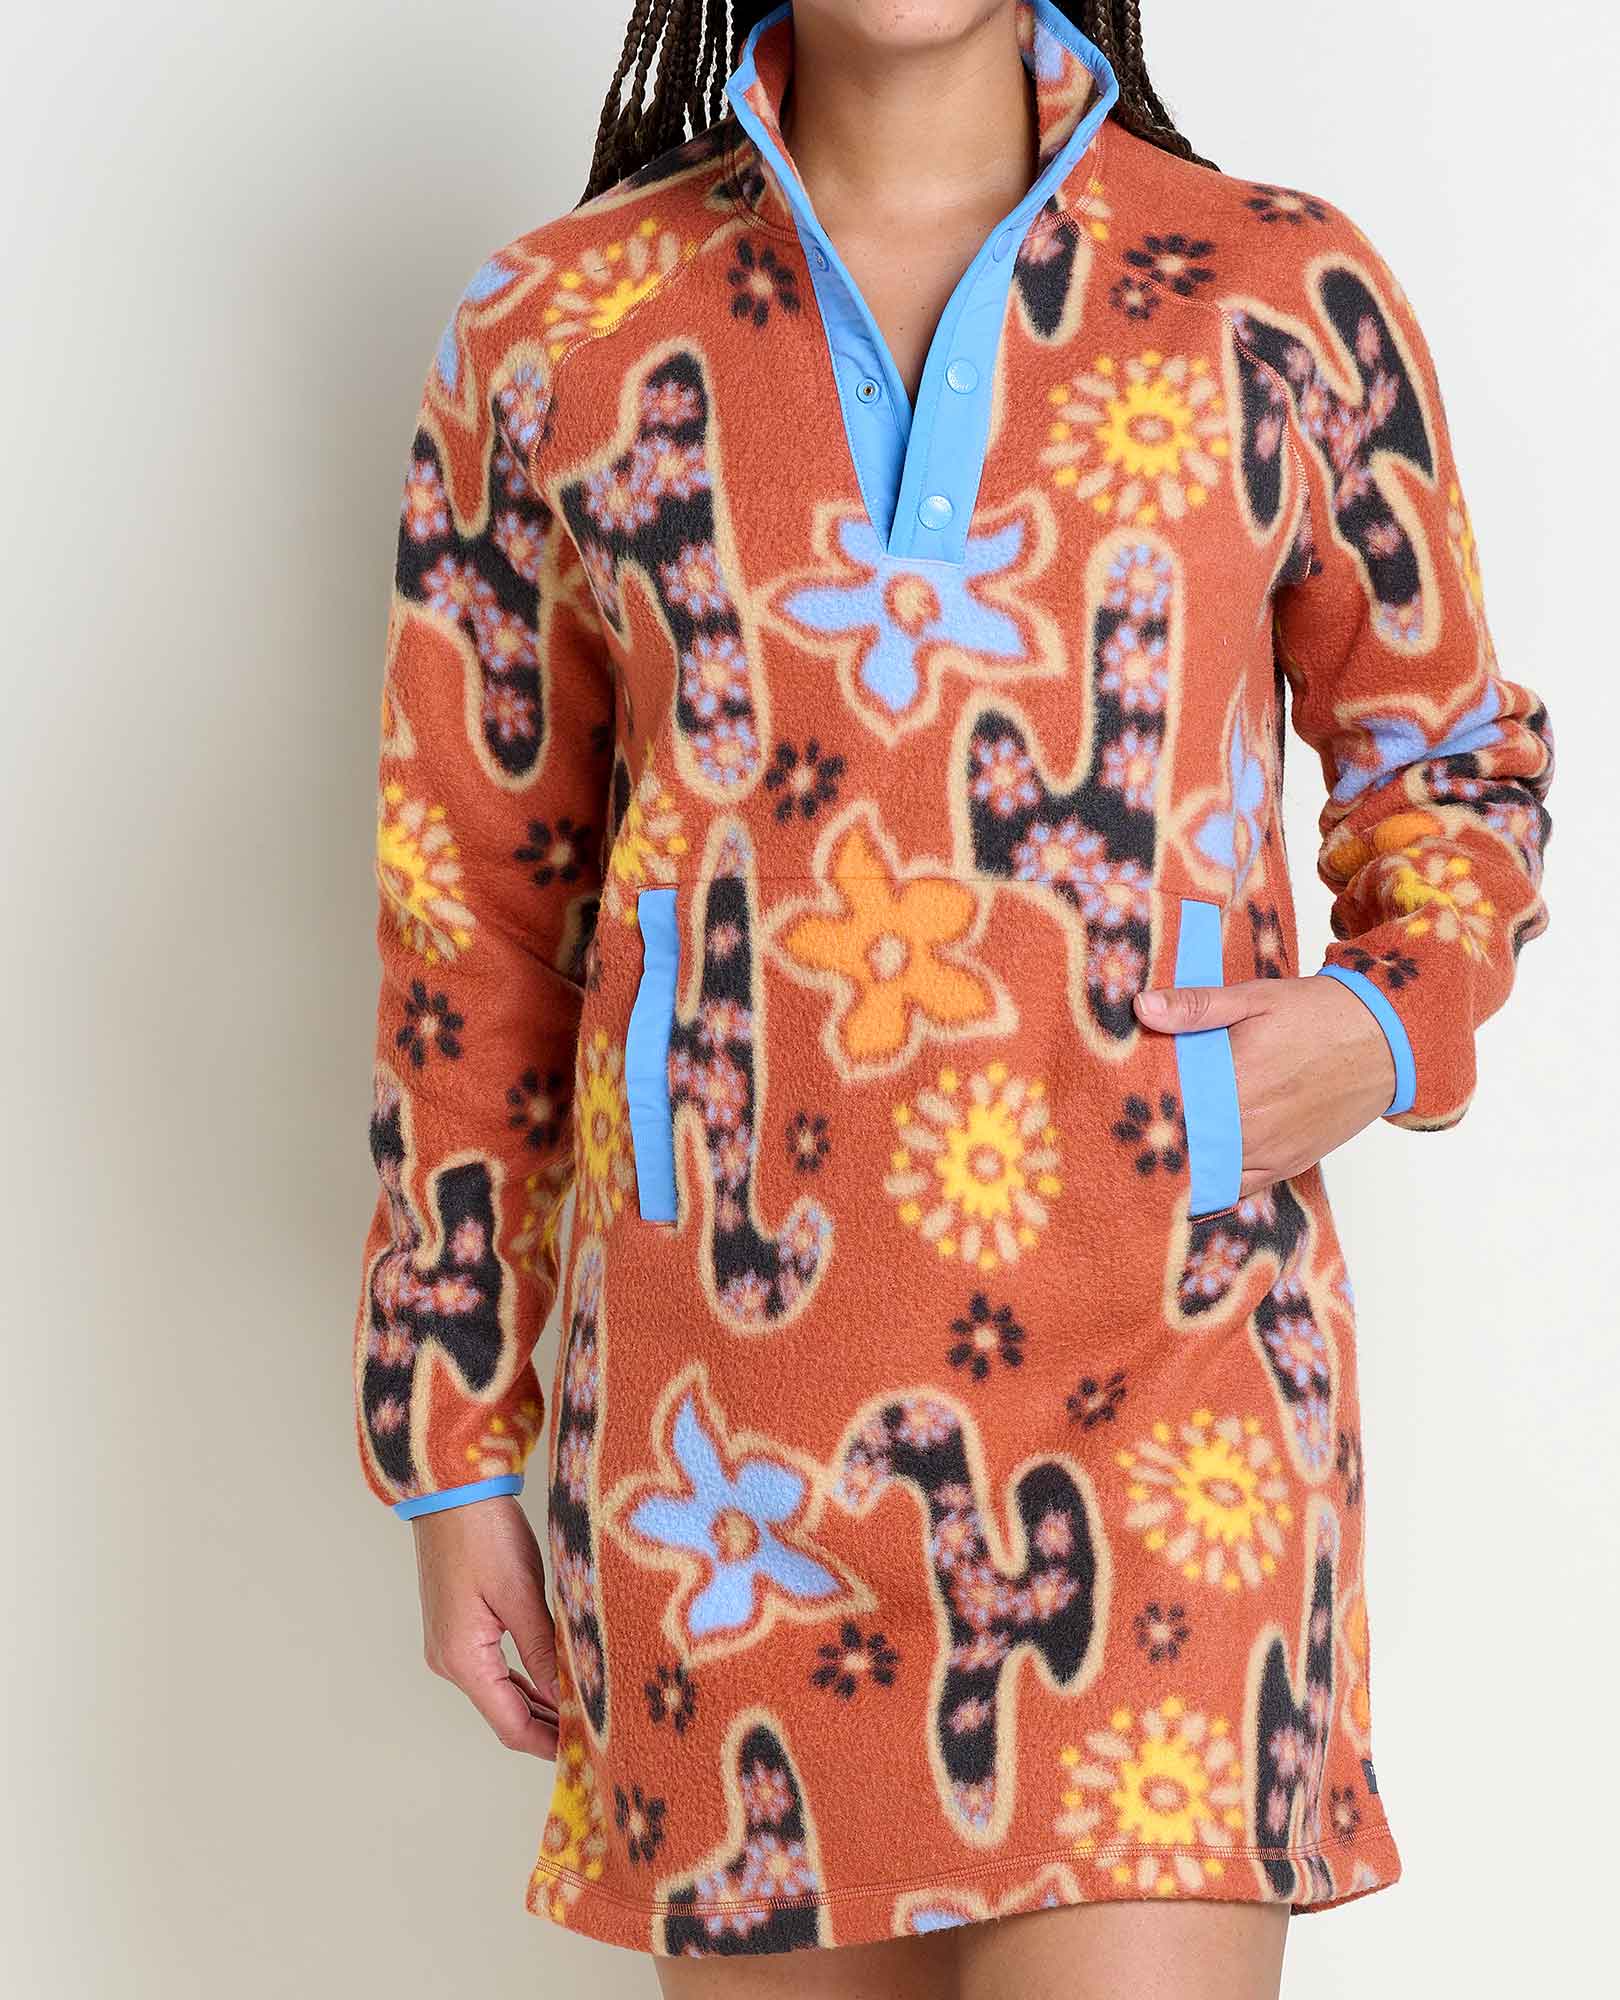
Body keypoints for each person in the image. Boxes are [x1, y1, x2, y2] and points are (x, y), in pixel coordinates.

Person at [353, 3, 1554, 1993]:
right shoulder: (554, 331)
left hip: (1174, 1416)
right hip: (727, 1468)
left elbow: (1452, 760)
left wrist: (1385, 1021)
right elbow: (468, 924)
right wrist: (453, 1441)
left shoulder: (1276, 294)